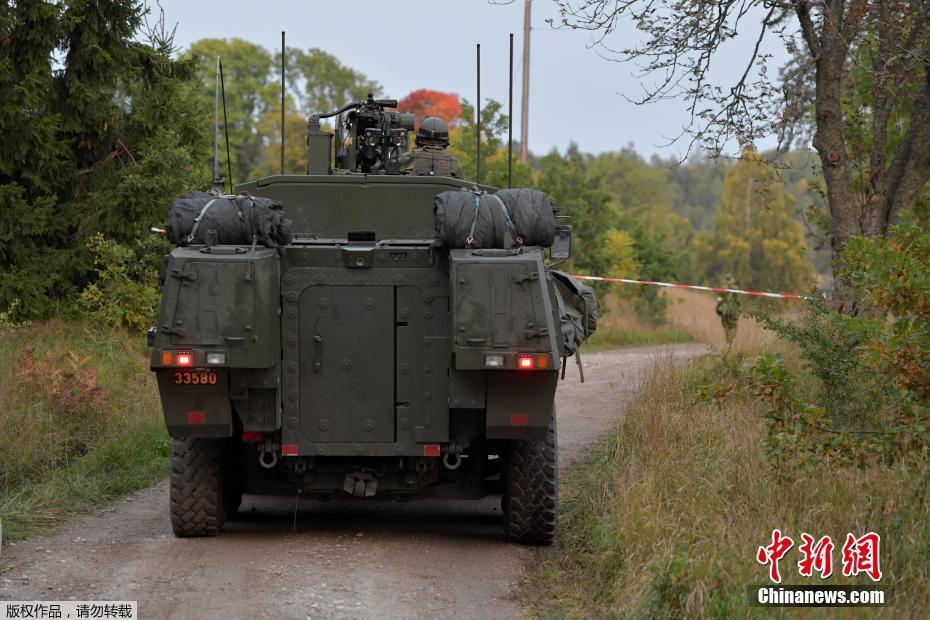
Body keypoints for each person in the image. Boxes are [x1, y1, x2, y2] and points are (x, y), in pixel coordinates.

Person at [715, 275, 741, 346]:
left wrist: (717, 307)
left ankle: (729, 342)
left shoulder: (722, 288)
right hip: (733, 309)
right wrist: (739, 309)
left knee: (726, 326)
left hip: (724, 309)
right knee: (733, 325)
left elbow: (719, 299)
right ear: (732, 279)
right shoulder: (736, 288)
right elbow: (738, 300)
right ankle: (731, 341)